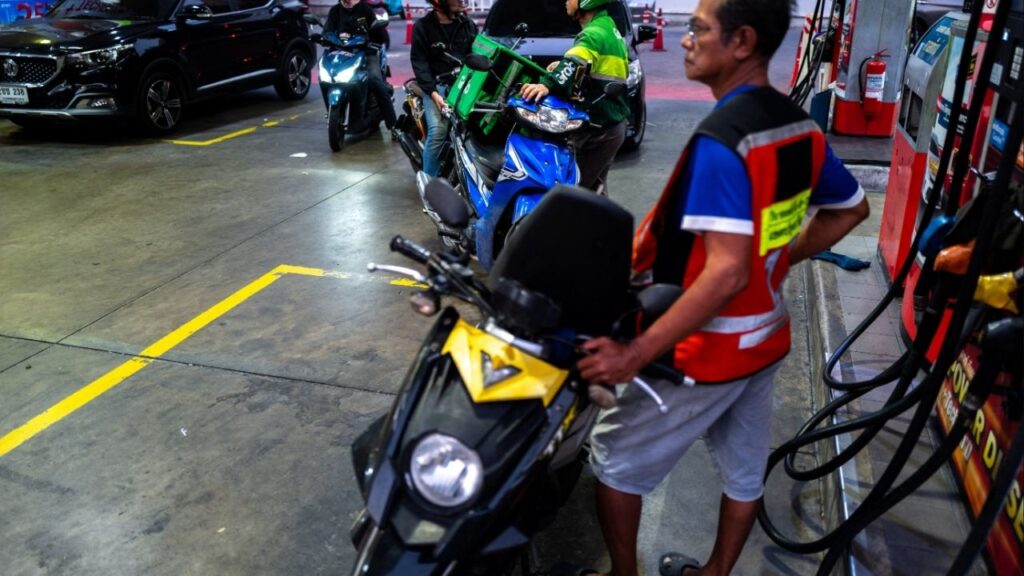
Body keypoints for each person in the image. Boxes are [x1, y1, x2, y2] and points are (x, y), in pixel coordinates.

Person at [576, 0, 870, 575]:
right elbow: (851, 209)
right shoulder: (798, 125)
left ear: (742, 43)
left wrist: (635, 352)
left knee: (614, 462)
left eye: (699, 29)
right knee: (743, 472)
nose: (686, 40)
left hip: (706, 351)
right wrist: (778, 258)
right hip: (766, 338)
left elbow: (726, 271)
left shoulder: (722, 141)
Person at [519, 0, 630, 195]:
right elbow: (589, 63)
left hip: (599, 129)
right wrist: (562, 66)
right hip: (611, 126)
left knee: (572, 193)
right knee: (594, 189)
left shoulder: (593, 33)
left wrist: (546, 84)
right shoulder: (607, 27)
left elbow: (575, 59)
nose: (565, 1)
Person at [410, 0, 478, 177]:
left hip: (463, 86)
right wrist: (433, 93)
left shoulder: (467, 25)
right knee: (439, 132)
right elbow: (419, 62)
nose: (460, 1)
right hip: (436, 87)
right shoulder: (423, 26)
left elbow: (478, 54)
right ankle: (429, 187)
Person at [323, 0, 398, 139]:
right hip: (341, 54)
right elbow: (327, 31)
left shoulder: (365, 10)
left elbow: (379, 35)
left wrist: (374, 41)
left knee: (375, 81)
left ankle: (393, 125)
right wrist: (323, 38)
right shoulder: (335, 11)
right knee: (326, 76)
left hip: (365, 54)